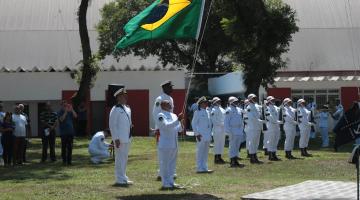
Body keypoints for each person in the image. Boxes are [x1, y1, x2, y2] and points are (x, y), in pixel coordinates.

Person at [156, 100, 184, 189]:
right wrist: (177, 121)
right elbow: (165, 126)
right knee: (165, 164)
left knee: (172, 164)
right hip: (165, 144)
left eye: (170, 103)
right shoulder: (160, 115)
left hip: (174, 143)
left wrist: (181, 123)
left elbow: (179, 129)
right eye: (168, 104)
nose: (170, 105)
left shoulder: (174, 115)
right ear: (162, 105)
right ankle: (165, 183)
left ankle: (171, 181)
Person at [152, 80, 176, 180]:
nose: (172, 89)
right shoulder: (159, 99)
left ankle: (171, 171)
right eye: (170, 87)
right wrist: (159, 127)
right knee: (162, 152)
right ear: (165, 88)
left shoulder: (170, 98)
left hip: (171, 128)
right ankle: (161, 173)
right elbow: (155, 113)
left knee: (172, 151)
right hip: (162, 129)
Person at [109, 88, 133, 185]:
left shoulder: (127, 108)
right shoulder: (115, 109)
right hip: (120, 138)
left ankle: (124, 176)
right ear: (118, 97)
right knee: (119, 158)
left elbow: (130, 122)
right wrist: (116, 138)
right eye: (123, 96)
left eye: (125, 95)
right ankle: (119, 178)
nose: (125, 97)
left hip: (127, 137)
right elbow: (112, 125)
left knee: (125, 158)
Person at [192, 96, 213, 173]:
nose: (206, 104)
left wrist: (211, 134)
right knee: (200, 151)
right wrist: (197, 134)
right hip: (201, 135)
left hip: (207, 135)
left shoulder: (207, 111)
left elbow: (210, 124)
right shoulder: (197, 112)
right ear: (200, 104)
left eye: (206, 102)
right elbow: (193, 124)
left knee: (206, 152)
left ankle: (204, 167)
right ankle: (199, 167)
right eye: (204, 103)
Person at [224, 96, 245, 168]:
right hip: (232, 130)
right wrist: (228, 133)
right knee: (232, 146)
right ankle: (232, 161)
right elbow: (226, 122)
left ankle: (236, 160)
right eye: (235, 101)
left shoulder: (238, 109)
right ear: (231, 102)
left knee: (237, 146)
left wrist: (242, 129)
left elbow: (241, 120)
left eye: (237, 101)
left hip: (239, 130)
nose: (236, 102)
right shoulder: (228, 110)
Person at [245, 94, 265, 164]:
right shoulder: (249, 107)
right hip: (252, 127)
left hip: (257, 127)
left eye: (255, 97)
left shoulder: (256, 106)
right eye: (253, 98)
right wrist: (261, 121)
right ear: (250, 99)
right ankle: (252, 157)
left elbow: (259, 115)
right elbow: (252, 118)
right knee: (252, 142)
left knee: (256, 143)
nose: (255, 99)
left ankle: (255, 156)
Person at [58, 100, 77, 165]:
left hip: (70, 132)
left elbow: (75, 116)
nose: (65, 106)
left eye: (66, 105)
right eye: (64, 105)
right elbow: (61, 119)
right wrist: (65, 112)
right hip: (63, 133)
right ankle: (64, 161)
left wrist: (72, 109)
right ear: (61, 106)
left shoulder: (70, 112)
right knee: (63, 147)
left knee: (70, 147)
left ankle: (69, 161)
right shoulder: (60, 112)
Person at [265, 96, 282, 161]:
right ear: (268, 101)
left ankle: (274, 154)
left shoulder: (275, 107)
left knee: (276, 140)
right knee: (271, 140)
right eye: (272, 100)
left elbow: (280, 114)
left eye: (274, 100)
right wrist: (276, 121)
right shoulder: (267, 108)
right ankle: (270, 155)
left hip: (277, 126)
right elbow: (269, 117)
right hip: (271, 126)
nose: (274, 101)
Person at [210, 97, 226, 164]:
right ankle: (216, 158)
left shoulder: (222, 109)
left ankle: (219, 157)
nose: (219, 102)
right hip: (217, 128)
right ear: (214, 102)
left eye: (219, 101)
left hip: (223, 129)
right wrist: (221, 124)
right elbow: (214, 120)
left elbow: (225, 118)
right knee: (217, 144)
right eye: (217, 101)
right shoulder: (213, 110)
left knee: (222, 143)